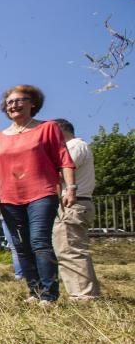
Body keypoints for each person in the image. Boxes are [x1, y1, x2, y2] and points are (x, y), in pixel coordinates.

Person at [0, 85, 75, 304]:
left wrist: (70, 188)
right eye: (9, 102)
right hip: (9, 198)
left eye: (19, 100)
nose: (13, 105)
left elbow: (64, 159)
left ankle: (49, 294)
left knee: (39, 241)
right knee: (21, 246)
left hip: (41, 193)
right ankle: (34, 292)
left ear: (32, 103)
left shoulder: (48, 128)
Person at [51, 118, 100, 300]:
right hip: (76, 203)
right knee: (72, 249)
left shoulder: (74, 146)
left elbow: (60, 172)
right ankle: (87, 292)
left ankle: (83, 295)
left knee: (70, 250)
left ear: (59, 131)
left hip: (73, 203)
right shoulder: (77, 146)